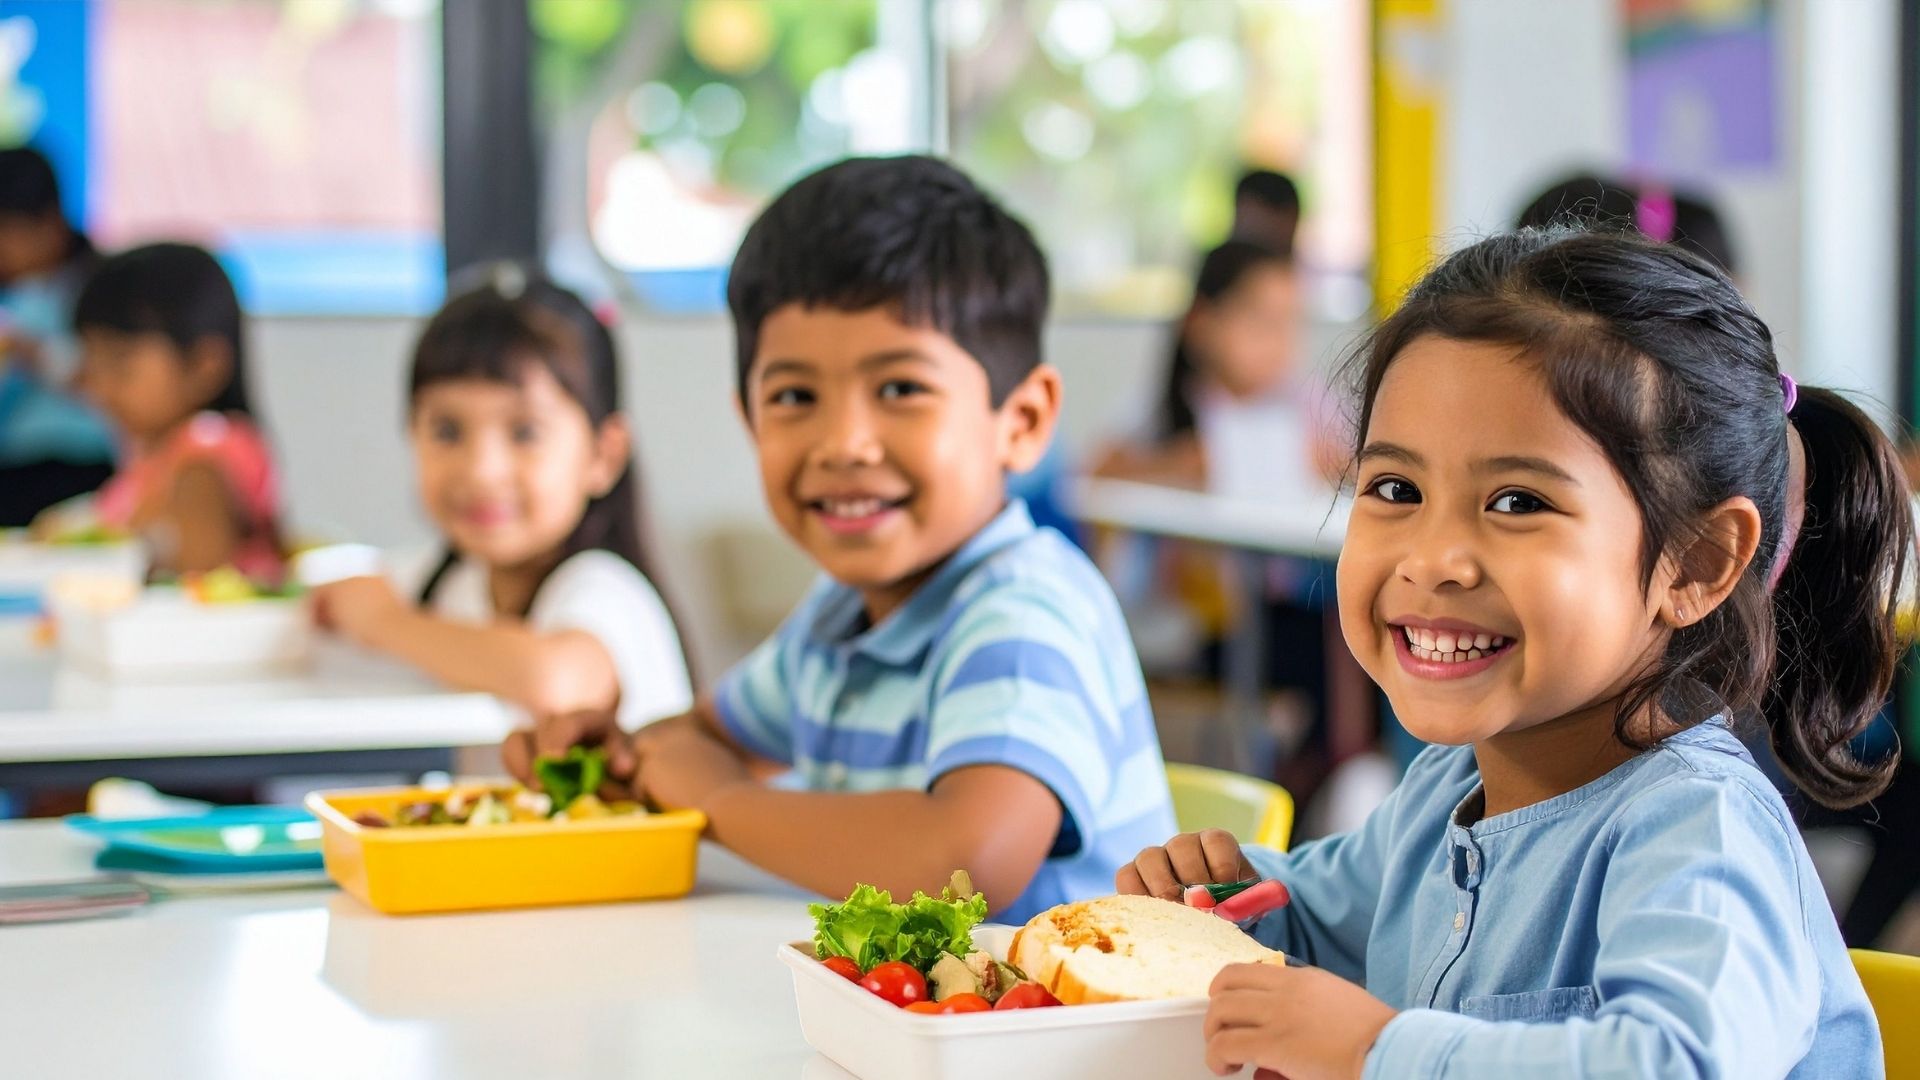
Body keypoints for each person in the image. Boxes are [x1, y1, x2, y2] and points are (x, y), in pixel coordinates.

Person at [1121, 228, 1897, 1079]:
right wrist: (1224, 897)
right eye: (1395, 489)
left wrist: (1371, 1051)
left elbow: (1671, 1063)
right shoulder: (1447, 789)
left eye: (1517, 500)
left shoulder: (1697, 829)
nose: (1432, 559)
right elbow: (1316, 914)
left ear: (1698, 563)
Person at [504, 156, 1176, 921]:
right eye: (795, 397)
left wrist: (719, 799)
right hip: (911, 1028)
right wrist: (613, 753)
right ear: (750, 418)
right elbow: (706, 738)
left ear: (1019, 422)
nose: (845, 443)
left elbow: (962, 859)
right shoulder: (839, 618)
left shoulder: (1025, 612)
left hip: (1056, 1032)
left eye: (900, 389)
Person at [309, 269, 692, 730]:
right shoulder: (455, 582)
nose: (482, 471)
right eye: (447, 431)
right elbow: (349, 592)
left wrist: (384, 622)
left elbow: (552, 681)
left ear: (602, 454)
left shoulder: (605, 588)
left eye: (525, 432)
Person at [66, 242, 282, 579]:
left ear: (203, 364)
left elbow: (201, 572)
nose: (100, 388)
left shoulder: (204, 456)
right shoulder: (159, 452)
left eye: (120, 366)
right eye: (92, 363)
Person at [0, 146, 115, 524]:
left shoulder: (98, 287)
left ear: (50, 224)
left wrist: (32, 352)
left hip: (84, 468)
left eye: (9, 233)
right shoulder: (10, 295)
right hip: (11, 470)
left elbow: (104, 378)